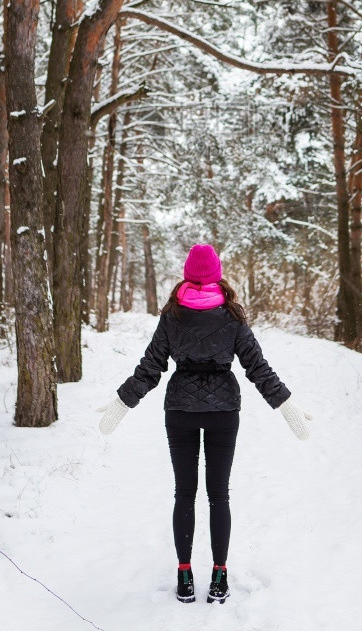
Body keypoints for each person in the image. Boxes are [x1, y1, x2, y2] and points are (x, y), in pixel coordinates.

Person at [96, 243, 312, 605]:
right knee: (218, 494)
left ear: (186, 275)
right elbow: (257, 367)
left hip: (179, 409)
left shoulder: (172, 316)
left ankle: (184, 574)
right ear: (217, 275)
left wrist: (124, 399)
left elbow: (151, 368)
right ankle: (219, 574)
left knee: (184, 493)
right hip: (223, 412)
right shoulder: (232, 316)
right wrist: (284, 401)